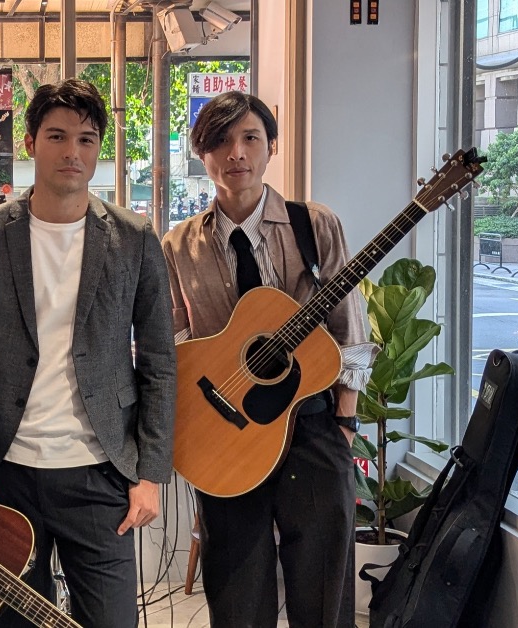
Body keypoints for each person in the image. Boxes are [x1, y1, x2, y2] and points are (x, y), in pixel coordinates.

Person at [0, 78, 176, 628]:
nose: (73, 151)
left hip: (100, 472)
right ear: (30, 143)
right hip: (8, 472)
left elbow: (160, 362)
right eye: (57, 136)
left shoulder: (134, 237)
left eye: (86, 139)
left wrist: (151, 473)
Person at [160, 91, 376, 627]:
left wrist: (344, 422)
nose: (236, 152)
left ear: (271, 147)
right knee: (236, 593)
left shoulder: (314, 226)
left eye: (250, 138)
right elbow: (174, 343)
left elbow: (349, 328)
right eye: (220, 141)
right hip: (226, 434)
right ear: (202, 154)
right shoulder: (178, 245)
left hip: (312, 425)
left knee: (323, 589)